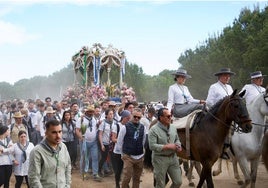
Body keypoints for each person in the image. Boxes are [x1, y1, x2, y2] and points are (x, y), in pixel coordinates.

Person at [28, 119, 71, 187]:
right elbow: (34, 178)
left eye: (60, 132)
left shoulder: (63, 147)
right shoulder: (37, 152)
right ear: (46, 133)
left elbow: (67, 167)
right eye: (54, 132)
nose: (58, 136)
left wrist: (67, 185)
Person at [148, 108, 182, 188]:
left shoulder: (173, 127)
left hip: (173, 158)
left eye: (171, 116)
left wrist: (178, 145)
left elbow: (177, 139)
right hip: (160, 159)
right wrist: (167, 146)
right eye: (168, 116)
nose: (171, 118)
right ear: (161, 117)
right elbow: (152, 146)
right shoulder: (153, 130)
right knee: (160, 185)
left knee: (178, 182)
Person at [206, 67, 235, 159]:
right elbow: (209, 102)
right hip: (217, 114)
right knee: (226, 127)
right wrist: (220, 109)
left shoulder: (229, 87)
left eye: (228, 76)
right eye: (225, 75)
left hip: (229, 113)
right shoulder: (214, 87)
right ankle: (224, 148)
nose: (227, 77)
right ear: (220, 76)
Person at [117, 108, 146, 188]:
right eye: (135, 116)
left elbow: (143, 141)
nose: (136, 118)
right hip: (128, 156)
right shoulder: (124, 127)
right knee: (127, 177)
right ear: (131, 116)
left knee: (137, 178)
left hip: (139, 156)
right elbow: (119, 142)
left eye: (138, 117)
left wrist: (142, 152)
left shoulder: (143, 128)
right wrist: (123, 155)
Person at [75, 105, 102, 182]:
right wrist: (81, 138)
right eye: (89, 111)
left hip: (93, 142)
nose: (91, 113)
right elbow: (77, 130)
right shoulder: (81, 119)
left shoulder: (94, 119)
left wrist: (98, 124)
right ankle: (84, 173)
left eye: (92, 111)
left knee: (95, 157)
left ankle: (95, 174)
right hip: (84, 142)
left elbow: (95, 128)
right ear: (86, 112)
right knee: (84, 158)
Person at [111, 110, 131, 188]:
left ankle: (126, 184)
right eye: (127, 118)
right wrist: (122, 142)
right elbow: (113, 138)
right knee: (119, 170)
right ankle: (117, 184)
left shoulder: (129, 126)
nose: (129, 120)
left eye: (129, 118)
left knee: (127, 170)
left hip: (127, 151)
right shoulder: (117, 126)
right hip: (118, 151)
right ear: (123, 118)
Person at [98, 109, 114, 177]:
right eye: (110, 114)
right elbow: (100, 134)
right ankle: (99, 170)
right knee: (104, 157)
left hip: (111, 143)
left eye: (112, 114)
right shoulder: (103, 123)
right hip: (104, 143)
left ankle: (109, 170)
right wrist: (101, 145)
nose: (111, 115)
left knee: (112, 157)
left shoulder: (114, 122)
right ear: (106, 115)